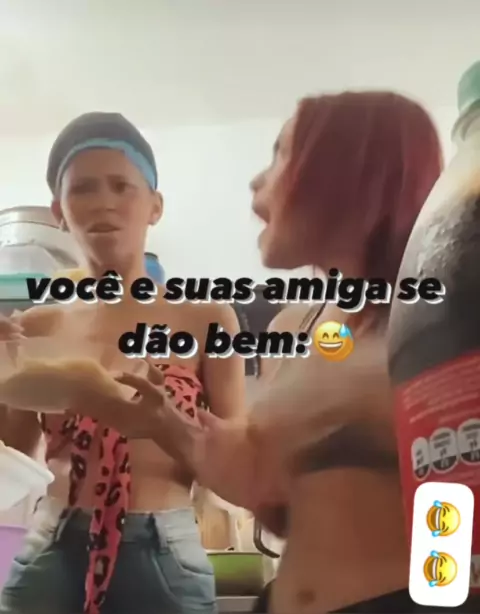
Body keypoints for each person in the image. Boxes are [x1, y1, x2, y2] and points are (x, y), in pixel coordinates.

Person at [64, 91, 459, 614]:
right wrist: (168, 424)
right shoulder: (295, 326)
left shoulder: (441, 319)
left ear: (347, 171)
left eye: (281, 155)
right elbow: (270, 495)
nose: (256, 181)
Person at [0, 112, 245, 614]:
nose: (103, 202)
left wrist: (165, 423)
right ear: (59, 211)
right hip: (51, 540)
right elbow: (15, 453)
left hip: (163, 548)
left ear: (155, 206)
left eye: (121, 186)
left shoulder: (206, 317)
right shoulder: (37, 326)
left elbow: (239, 465)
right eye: (83, 188)